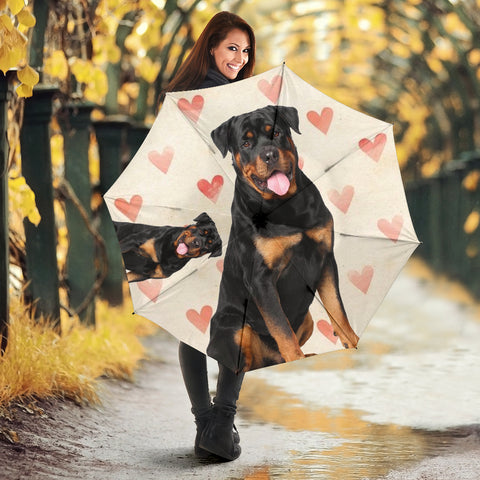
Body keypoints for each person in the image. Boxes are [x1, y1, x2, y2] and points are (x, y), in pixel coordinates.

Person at [162, 11, 256, 462]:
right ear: (212, 48)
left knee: (193, 319)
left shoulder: (181, 97)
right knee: (236, 318)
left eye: (244, 49)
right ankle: (221, 421)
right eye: (231, 48)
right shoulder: (234, 102)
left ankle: (206, 424)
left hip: (193, 221)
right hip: (231, 220)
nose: (239, 57)